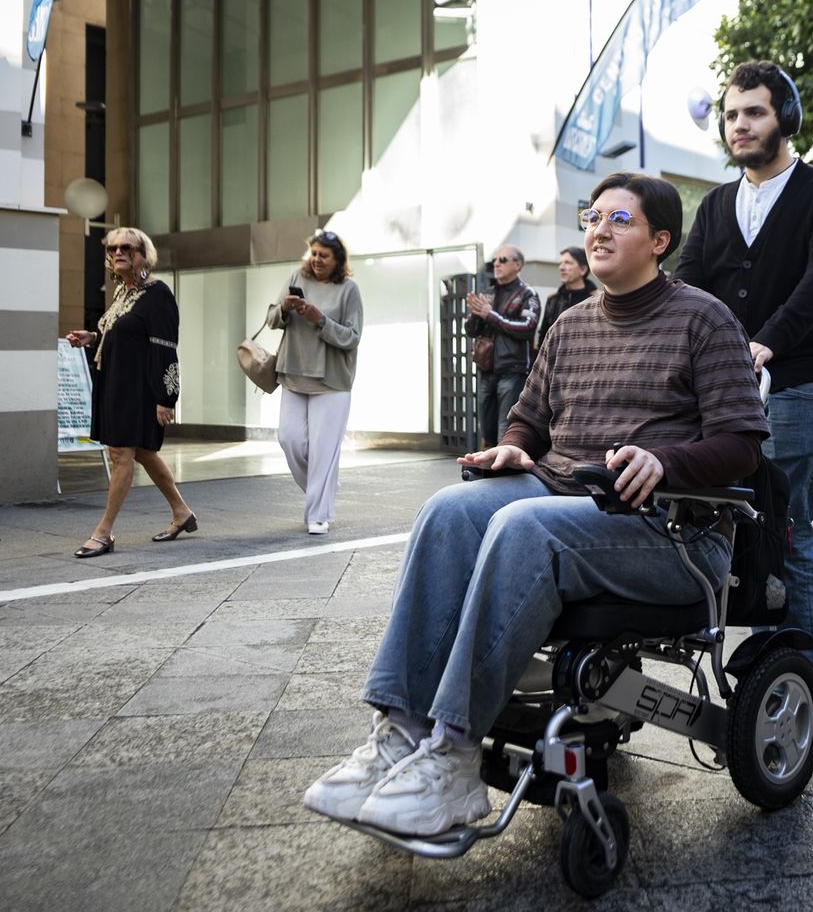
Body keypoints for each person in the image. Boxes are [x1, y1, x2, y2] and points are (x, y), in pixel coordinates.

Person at [303, 172, 767, 836]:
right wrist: (515, 448)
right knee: (448, 511)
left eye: (619, 220)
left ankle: (454, 757)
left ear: (660, 240)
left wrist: (665, 461)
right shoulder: (570, 324)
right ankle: (401, 733)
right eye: (592, 216)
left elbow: (742, 443)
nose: (598, 230)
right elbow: (529, 419)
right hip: (564, 497)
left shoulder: (703, 317)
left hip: (671, 530)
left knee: (525, 527)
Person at [675, 59, 813, 654]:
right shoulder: (716, 204)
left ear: (786, 118)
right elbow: (690, 284)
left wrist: (765, 341)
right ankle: (751, 675)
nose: (739, 124)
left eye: (754, 111)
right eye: (731, 115)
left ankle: (790, 674)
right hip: (723, 393)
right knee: (726, 529)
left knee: (785, 531)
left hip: (801, 384)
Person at [62, 228, 196, 557]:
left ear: (142, 254)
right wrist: (91, 337)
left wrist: (167, 399)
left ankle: (103, 532)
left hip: (139, 390)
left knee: (121, 455)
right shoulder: (122, 292)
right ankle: (182, 513)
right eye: (112, 249)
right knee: (142, 452)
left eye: (127, 248)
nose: (118, 253)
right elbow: (124, 335)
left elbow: (166, 349)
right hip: (115, 386)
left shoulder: (157, 293)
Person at [269, 230, 364, 536]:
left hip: (332, 382)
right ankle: (321, 489)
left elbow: (352, 337)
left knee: (324, 450)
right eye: (314, 253)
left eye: (324, 255)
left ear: (337, 261)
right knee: (290, 440)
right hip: (293, 374)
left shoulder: (349, 289)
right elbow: (271, 318)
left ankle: (318, 514)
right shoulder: (297, 276)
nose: (317, 259)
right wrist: (285, 308)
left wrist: (319, 319)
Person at [465, 244, 540, 449]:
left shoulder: (527, 294)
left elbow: (527, 328)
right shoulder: (488, 293)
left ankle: (503, 473)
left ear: (518, 265)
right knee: (486, 427)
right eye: (495, 260)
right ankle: (487, 472)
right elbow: (471, 331)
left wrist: (491, 315)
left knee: (505, 428)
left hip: (512, 370)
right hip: (486, 369)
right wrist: (474, 314)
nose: (496, 264)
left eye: (503, 260)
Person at [536, 246, 596, 347]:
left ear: (583, 269)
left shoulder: (596, 300)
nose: (561, 267)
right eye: (560, 263)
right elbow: (543, 337)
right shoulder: (553, 299)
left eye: (568, 263)